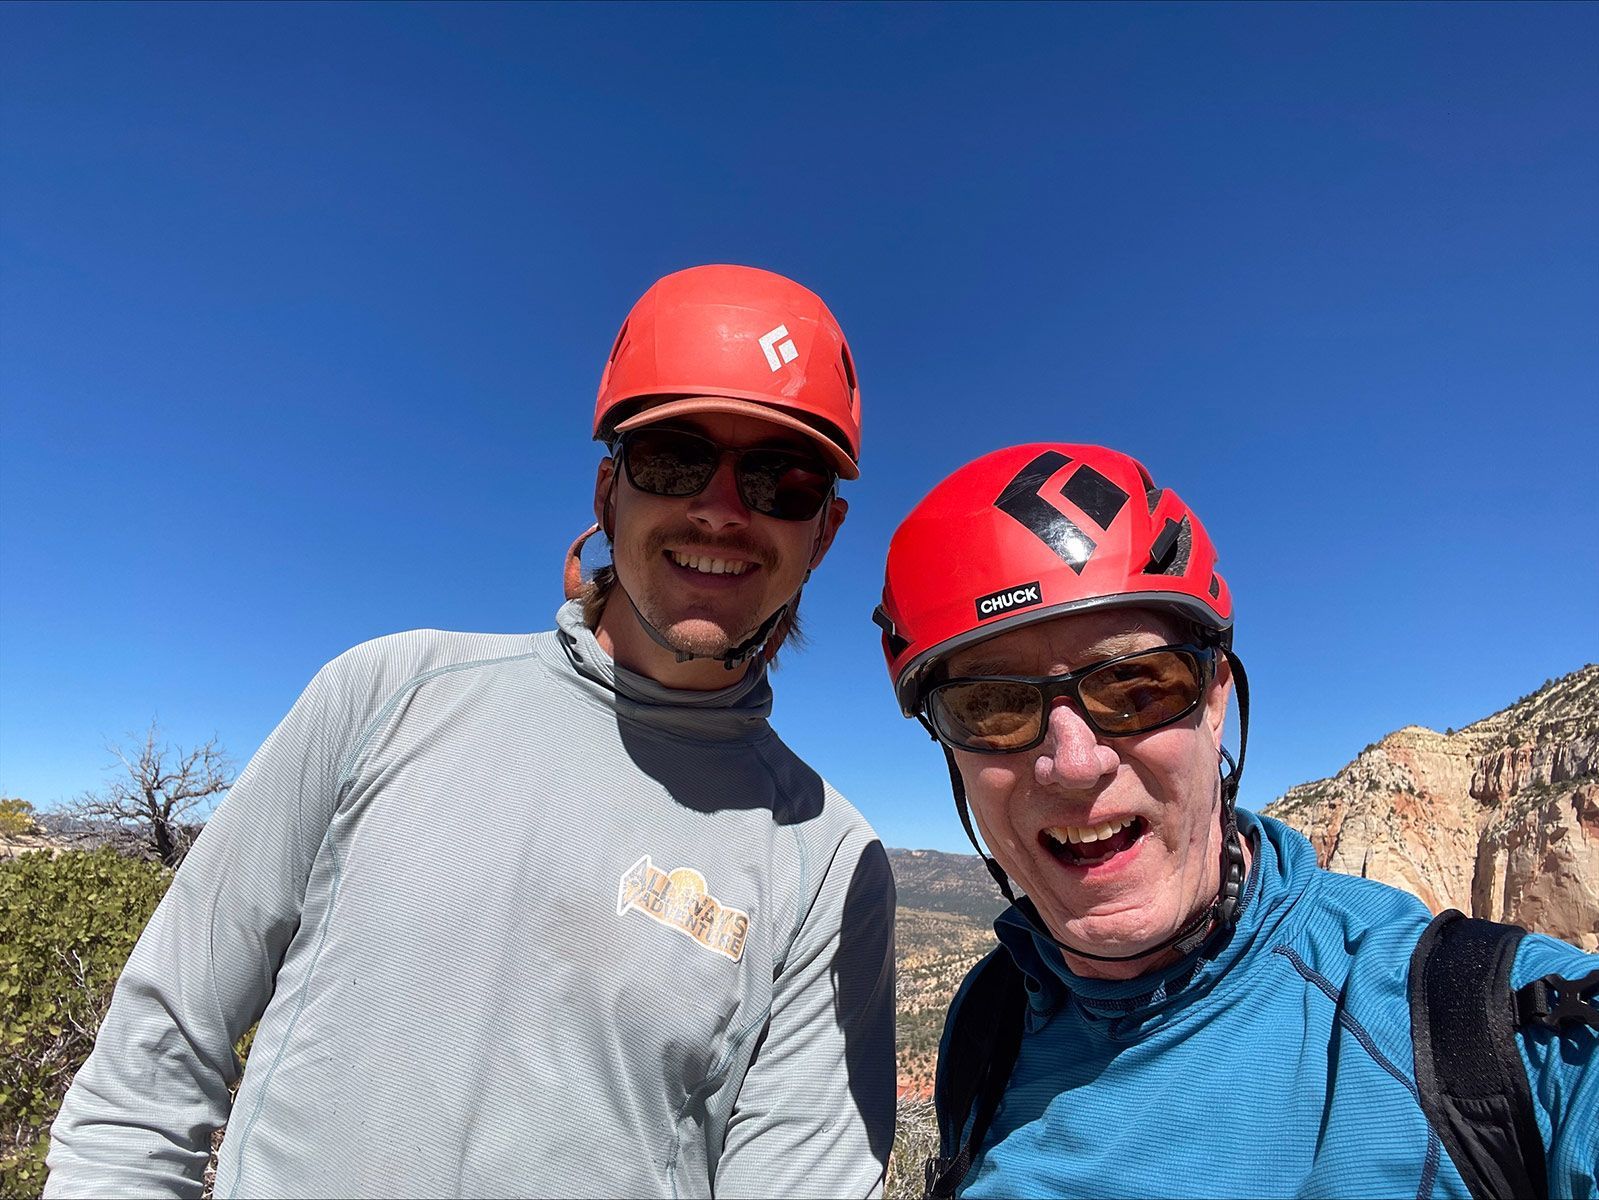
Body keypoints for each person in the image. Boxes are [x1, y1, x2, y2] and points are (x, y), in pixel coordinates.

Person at [46, 264, 897, 1199]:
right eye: (675, 458)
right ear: (610, 492)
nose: (724, 508)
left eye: (785, 480)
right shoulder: (388, 694)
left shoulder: (826, 863)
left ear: (823, 534)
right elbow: (154, 1061)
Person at [872, 443, 1598, 1199]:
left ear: (1214, 699)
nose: (1074, 761)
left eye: (1135, 686)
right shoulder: (989, 1021)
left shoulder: (1495, 1023)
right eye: (991, 706)